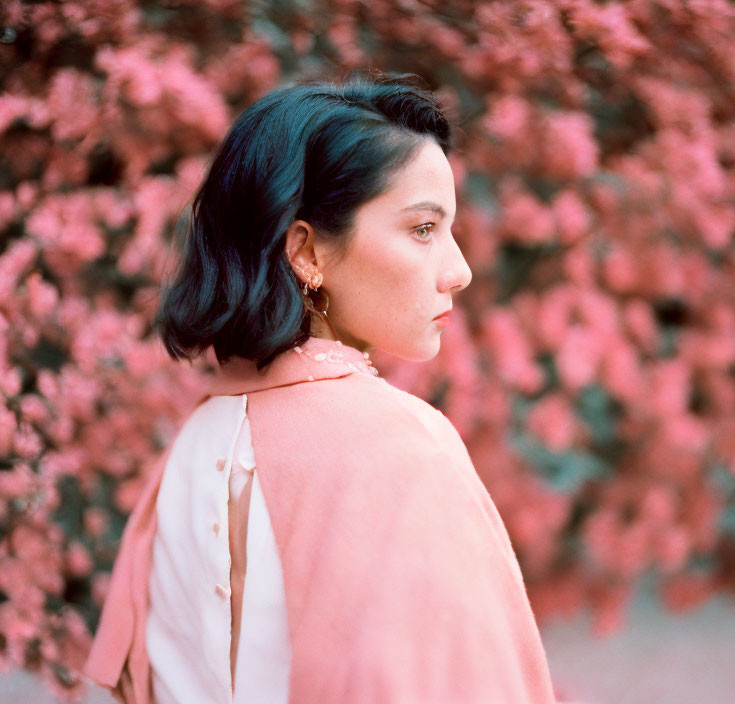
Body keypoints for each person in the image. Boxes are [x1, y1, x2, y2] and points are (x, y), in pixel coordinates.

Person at [81, 70, 557, 704]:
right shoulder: (403, 448)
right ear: (305, 251)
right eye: (422, 229)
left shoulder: (192, 445)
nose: (459, 270)